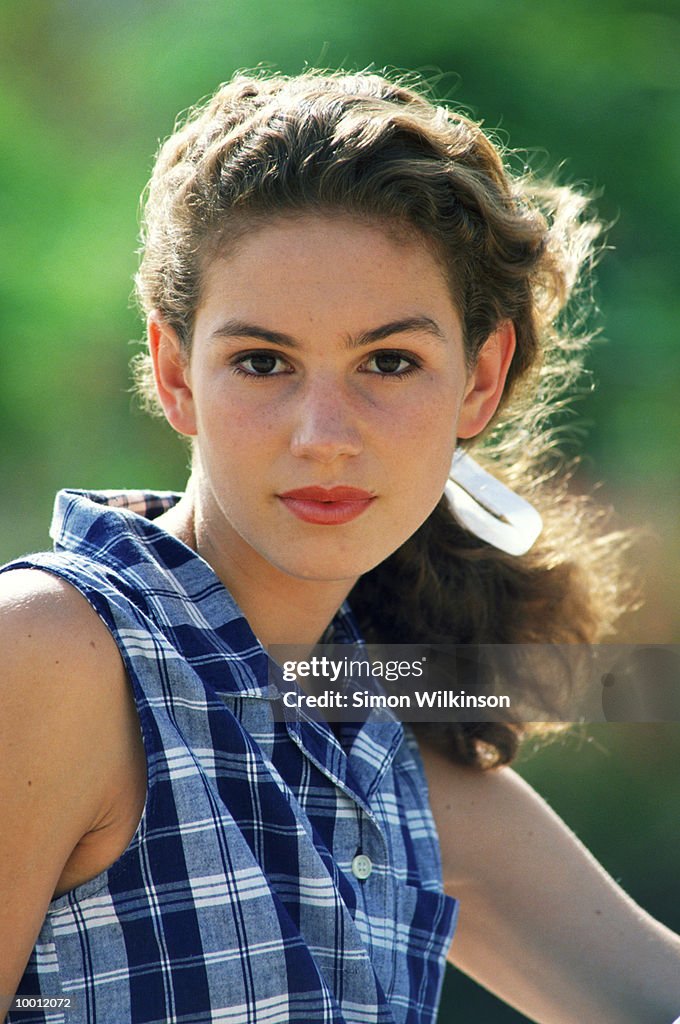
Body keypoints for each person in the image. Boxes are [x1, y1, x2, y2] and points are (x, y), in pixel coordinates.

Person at [1, 68, 678, 1024]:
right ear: (173, 372)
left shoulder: (367, 727)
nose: (324, 433)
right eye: (263, 362)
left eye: (389, 362)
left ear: (480, 381)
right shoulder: (49, 653)